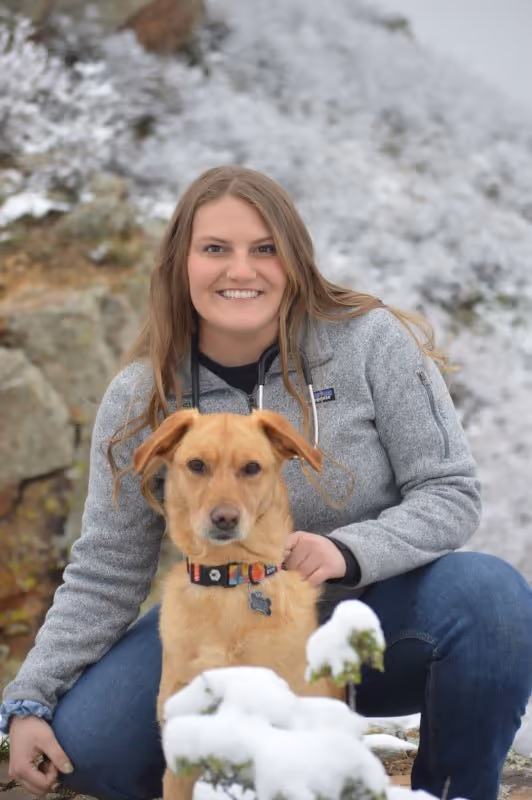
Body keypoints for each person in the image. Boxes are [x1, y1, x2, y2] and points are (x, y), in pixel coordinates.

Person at [1, 166, 531, 800]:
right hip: (215, 619)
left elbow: (450, 491)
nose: (241, 270)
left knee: (493, 601)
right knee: (87, 746)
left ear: (294, 259)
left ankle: (453, 792)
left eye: (264, 249)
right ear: (181, 262)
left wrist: (346, 551)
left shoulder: (369, 342)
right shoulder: (142, 395)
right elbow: (106, 567)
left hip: (372, 624)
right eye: (215, 248)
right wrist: (31, 697)